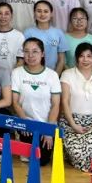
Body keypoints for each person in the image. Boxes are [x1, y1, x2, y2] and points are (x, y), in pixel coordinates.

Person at [58, 43, 92, 171]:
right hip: (70, 122)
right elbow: (64, 102)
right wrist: (73, 124)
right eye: (81, 56)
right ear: (76, 58)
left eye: (89, 56)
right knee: (78, 154)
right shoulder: (67, 74)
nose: (85, 59)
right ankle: (70, 155)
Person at [10, 37, 61, 166]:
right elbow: (15, 102)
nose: (30, 55)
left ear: (42, 54)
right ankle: (20, 136)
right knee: (30, 157)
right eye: (26, 51)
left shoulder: (52, 75)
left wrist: (48, 129)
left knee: (42, 160)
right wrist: (25, 122)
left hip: (46, 124)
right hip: (26, 122)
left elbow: (56, 105)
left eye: (35, 51)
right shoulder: (17, 73)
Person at [24, 0, 69, 74]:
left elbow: (61, 59)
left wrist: (55, 76)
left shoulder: (58, 33)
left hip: (53, 74)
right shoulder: (28, 33)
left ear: (51, 14)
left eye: (46, 11)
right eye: (39, 11)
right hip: (32, 74)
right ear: (34, 13)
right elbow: (24, 57)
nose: (42, 14)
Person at [63, 7, 92, 73]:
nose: (79, 21)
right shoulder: (63, 39)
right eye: (75, 18)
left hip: (91, 77)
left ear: (87, 21)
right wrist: (72, 76)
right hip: (70, 76)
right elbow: (62, 63)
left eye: (82, 18)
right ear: (70, 21)